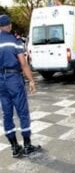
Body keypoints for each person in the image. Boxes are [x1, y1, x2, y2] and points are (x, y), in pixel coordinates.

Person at [0, 15, 41, 158]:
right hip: (14, 79)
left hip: (1, 81)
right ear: (9, 25)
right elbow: (23, 64)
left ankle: (14, 147)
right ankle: (27, 145)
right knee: (22, 112)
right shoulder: (15, 41)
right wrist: (31, 80)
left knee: (7, 114)